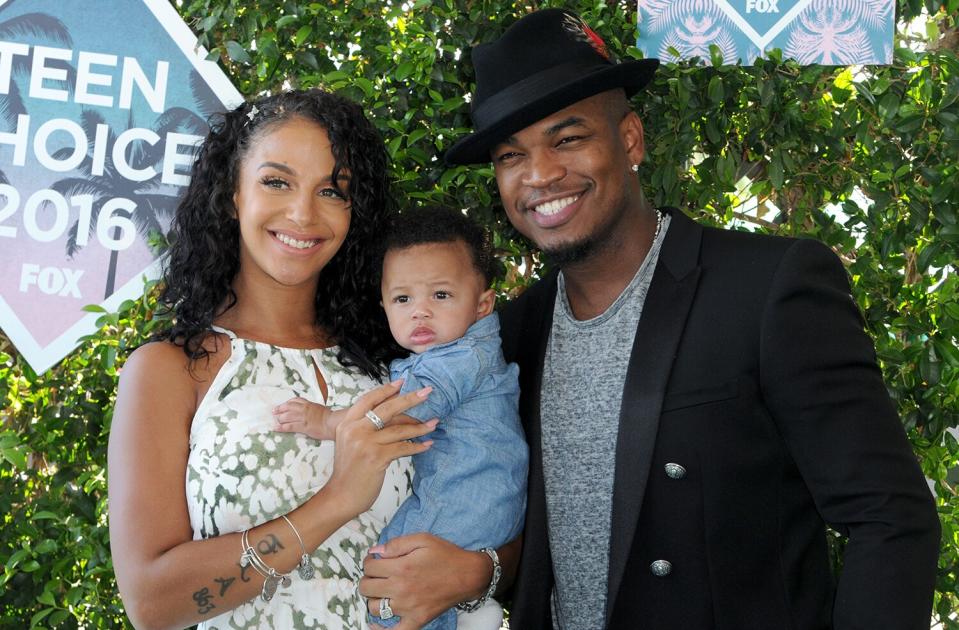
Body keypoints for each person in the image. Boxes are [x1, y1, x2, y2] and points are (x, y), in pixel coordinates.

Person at [436, 8, 941, 630]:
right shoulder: (512, 335)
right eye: (512, 155)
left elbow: (888, 517)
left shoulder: (767, 289)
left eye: (567, 139)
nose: (540, 175)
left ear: (629, 140)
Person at [108, 89, 490, 630]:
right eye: (277, 181)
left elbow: (493, 478)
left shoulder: (402, 357)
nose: (303, 213)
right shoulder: (172, 370)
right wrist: (337, 499)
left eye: (333, 190)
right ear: (234, 193)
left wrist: (479, 573)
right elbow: (151, 602)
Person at [274, 206, 528, 630]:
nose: (420, 312)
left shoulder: (463, 358)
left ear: (483, 304)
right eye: (403, 298)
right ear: (384, 306)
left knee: (390, 567)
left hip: (463, 499)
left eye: (440, 295)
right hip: (478, 501)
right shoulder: (454, 350)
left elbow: (397, 417)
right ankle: (470, 615)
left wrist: (324, 421)